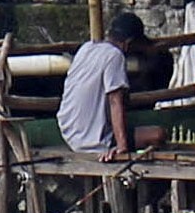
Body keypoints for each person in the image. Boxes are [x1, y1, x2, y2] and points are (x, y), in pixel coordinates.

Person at [59, 12, 152, 156]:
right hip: (92, 139)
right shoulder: (115, 56)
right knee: (157, 135)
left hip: (68, 131)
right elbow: (115, 101)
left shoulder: (87, 47)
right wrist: (121, 146)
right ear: (128, 43)